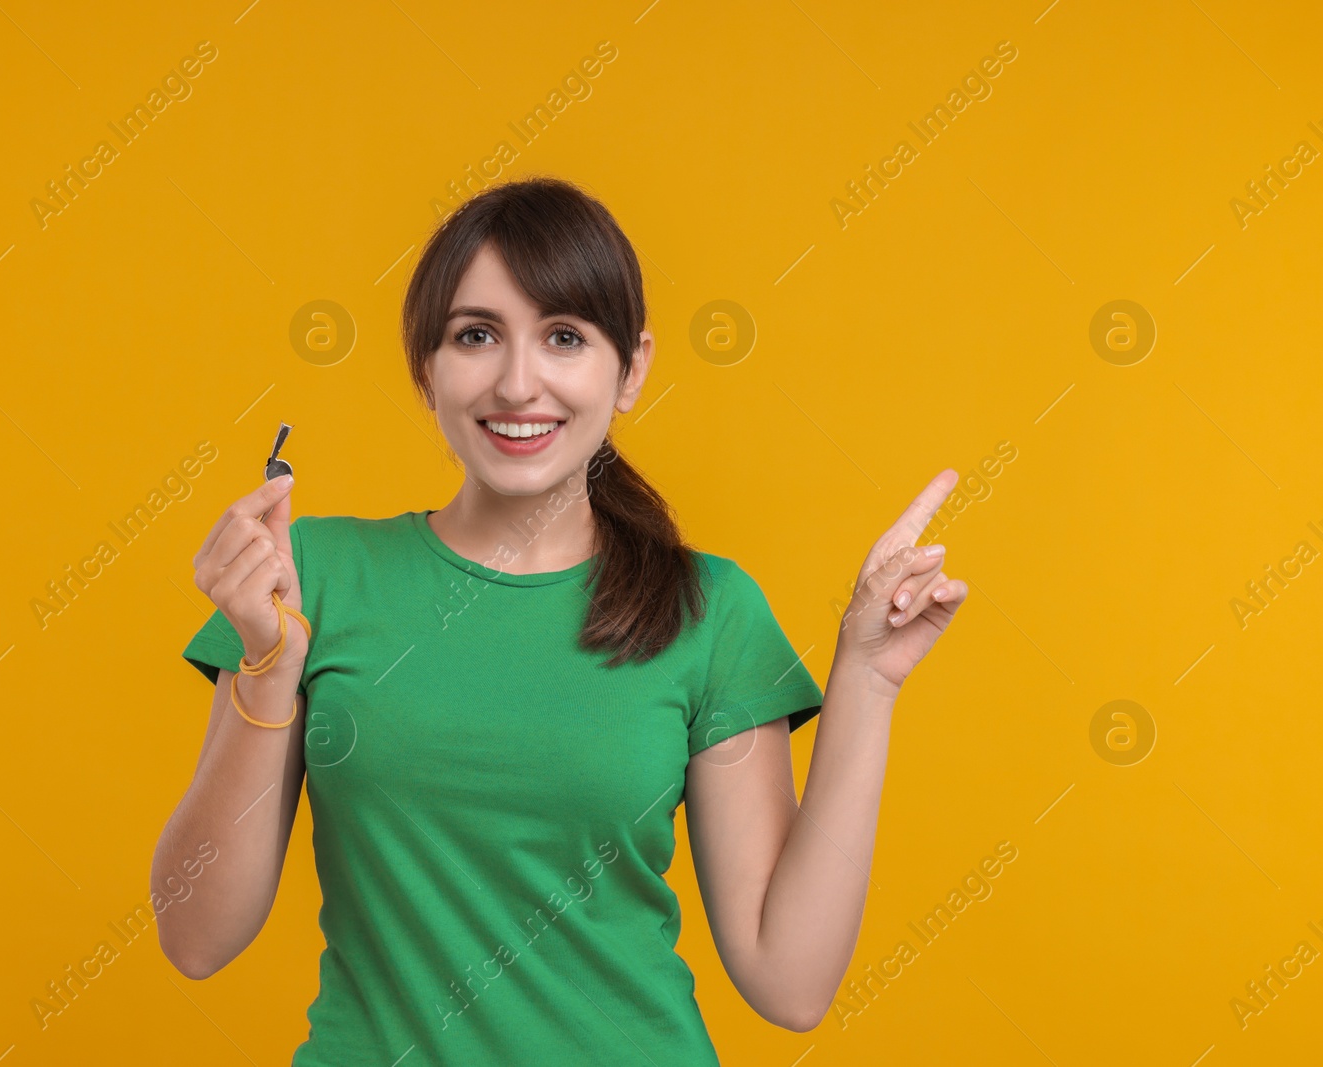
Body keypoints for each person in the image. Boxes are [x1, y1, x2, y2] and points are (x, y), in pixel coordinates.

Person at [152, 175, 967, 1065]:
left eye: (565, 337)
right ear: (426, 368)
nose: (517, 382)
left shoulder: (709, 609)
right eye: (476, 335)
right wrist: (268, 670)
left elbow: (790, 981)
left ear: (633, 369)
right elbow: (195, 938)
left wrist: (868, 679)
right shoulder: (308, 579)